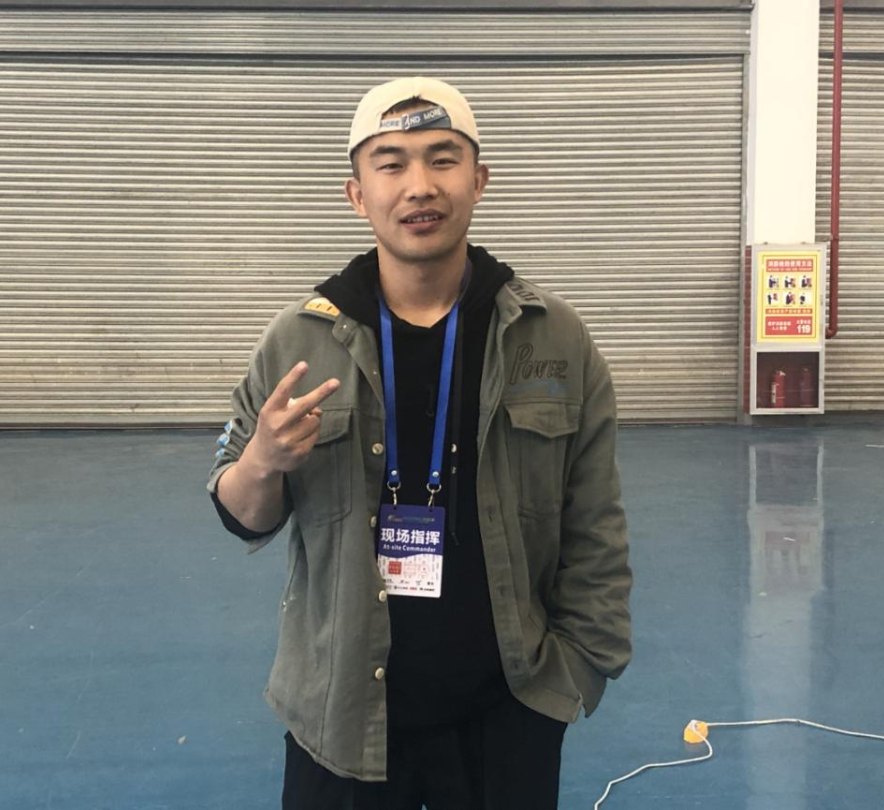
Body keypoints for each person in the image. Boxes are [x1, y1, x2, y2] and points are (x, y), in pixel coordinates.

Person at [208, 76, 631, 810]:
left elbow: (595, 524)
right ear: (357, 194)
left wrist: (574, 675)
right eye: (391, 163)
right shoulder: (298, 341)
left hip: (507, 714)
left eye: (442, 159)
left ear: (479, 180)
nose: (419, 186)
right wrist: (261, 462)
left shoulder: (553, 339)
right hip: (341, 717)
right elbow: (240, 512)